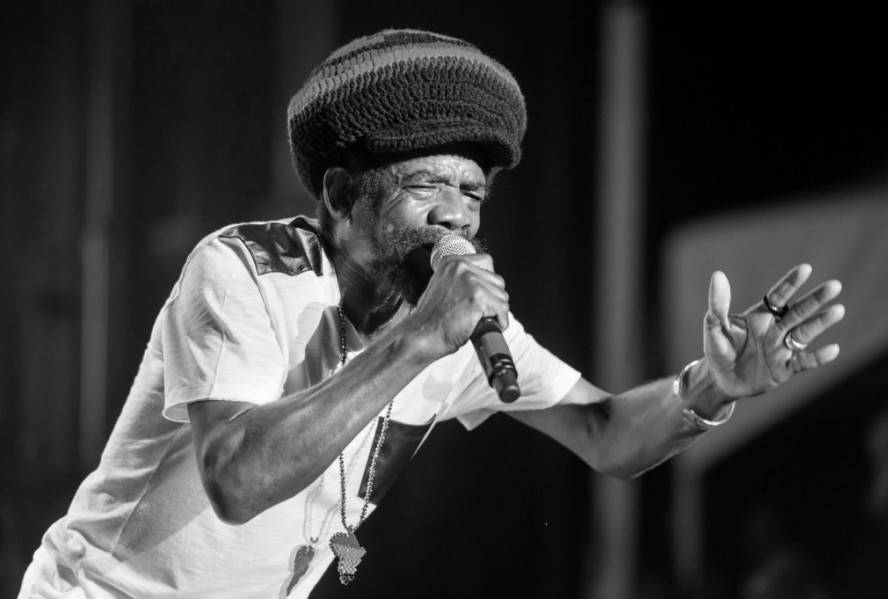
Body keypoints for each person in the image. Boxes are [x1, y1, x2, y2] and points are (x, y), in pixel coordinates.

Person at [18, 29, 845, 598]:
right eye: (426, 185)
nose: (456, 216)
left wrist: (709, 387)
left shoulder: (457, 323)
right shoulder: (245, 270)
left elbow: (608, 432)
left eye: (473, 193)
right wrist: (421, 338)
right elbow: (236, 480)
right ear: (341, 193)